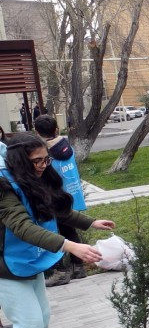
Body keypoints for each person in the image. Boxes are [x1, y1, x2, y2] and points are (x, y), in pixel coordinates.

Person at [0, 135, 115, 328]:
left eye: (45, 159)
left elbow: (53, 210)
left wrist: (89, 222)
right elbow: (23, 226)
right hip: (6, 266)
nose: (42, 165)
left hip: (28, 261)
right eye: (36, 161)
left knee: (42, 318)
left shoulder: (31, 179)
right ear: (20, 161)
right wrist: (70, 245)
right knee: (28, 324)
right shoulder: (4, 187)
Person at [34, 114, 89, 285]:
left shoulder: (44, 152)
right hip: (71, 196)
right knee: (69, 231)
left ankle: (59, 271)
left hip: (53, 198)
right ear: (57, 129)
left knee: (50, 233)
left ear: (37, 132)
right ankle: (78, 267)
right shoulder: (66, 146)